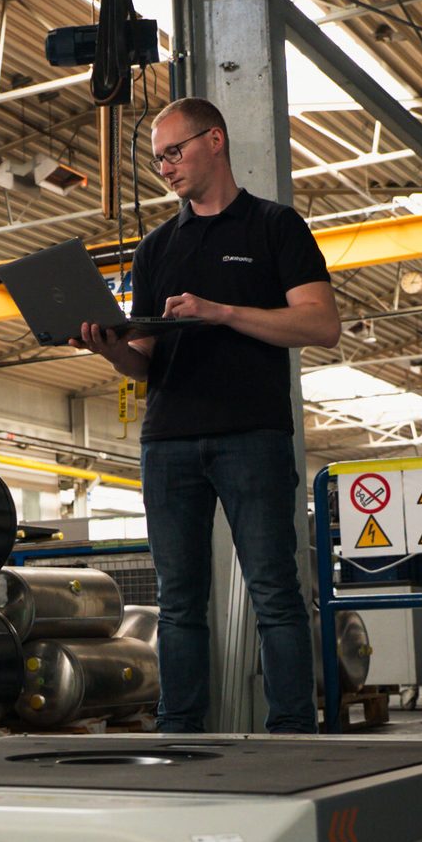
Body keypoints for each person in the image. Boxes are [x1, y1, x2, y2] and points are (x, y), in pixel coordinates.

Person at [71, 97, 341, 733]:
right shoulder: (157, 247)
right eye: (158, 157)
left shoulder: (276, 228)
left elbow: (321, 324)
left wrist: (222, 311)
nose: (165, 166)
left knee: (276, 594)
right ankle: (180, 730)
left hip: (253, 436)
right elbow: (143, 363)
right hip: (168, 444)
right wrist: (110, 351)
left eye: (175, 151)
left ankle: (293, 731)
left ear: (214, 140)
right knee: (178, 602)